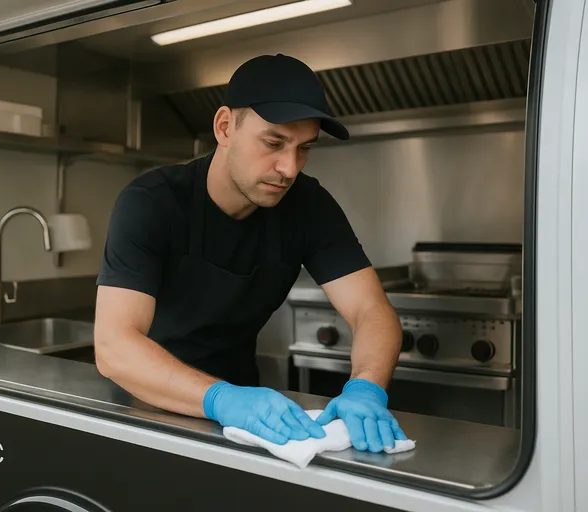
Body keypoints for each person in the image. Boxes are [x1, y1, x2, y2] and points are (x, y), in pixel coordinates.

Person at [94, 53, 407, 453]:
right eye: (274, 143)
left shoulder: (308, 206)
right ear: (225, 127)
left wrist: (366, 388)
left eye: (304, 148)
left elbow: (371, 309)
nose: (289, 168)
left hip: (244, 423)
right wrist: (221, 399)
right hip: (142, 408)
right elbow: (114, 345)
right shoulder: (151, 202)